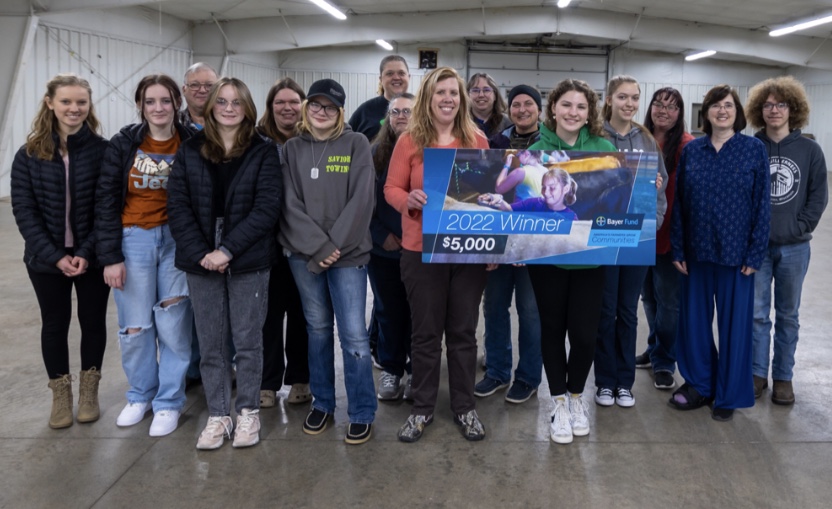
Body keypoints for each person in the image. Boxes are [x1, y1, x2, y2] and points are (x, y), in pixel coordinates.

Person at [167, 77, 282, 449]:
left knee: (248, 341)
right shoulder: (190, 149)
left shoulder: (263, 151)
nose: (229, 108)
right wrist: (202, 251)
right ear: (211, 106)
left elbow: (267, 209)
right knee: (212, 344)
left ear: (248, 108)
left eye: (237, 102)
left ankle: (248, 412)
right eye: (222, 102)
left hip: (248, 257)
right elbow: (178, 206)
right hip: (199, 257)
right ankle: (218, 414)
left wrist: (227, 249)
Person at [385, 66, 492, 443]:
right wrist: (408, 199)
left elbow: (487, 201)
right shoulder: (410, 141)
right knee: (426, 334)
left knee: (463, 332)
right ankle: (422, 409)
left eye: (453, 92)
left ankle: (464, 407)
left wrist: (491, 247)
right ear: (428, 99)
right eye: (440, 92)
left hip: (467, 253)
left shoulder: (477, 140)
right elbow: (391, 188)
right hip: (421, 251)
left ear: (461, 99)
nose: (447, 98)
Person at [96, 74, 196, 437]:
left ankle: (169, 401)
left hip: (177, 241)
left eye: (165, 101)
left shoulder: (192, 141)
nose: (158, 108)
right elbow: (105, 200)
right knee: (135, 326)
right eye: (150, 101)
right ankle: (140, 394)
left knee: (173, 323)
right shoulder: (124, 143)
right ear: (140, 105)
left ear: (176, 104)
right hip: (132, 238)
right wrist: (110, 256)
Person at [279, 79, 377, 445]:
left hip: (349, 255)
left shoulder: (356, 144)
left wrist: (333, 246)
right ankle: (323, 403)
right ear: (306, 108)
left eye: (330, 107)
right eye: (316, 105)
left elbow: (362, 200)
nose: (322, 112)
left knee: (354, 335)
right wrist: (319, 248)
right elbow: (288, 205)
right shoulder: (291, 148)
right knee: (317, 330)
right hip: (304, 255)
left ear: (340, 112)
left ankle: (362, 410)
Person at [11, 73, 111, 429]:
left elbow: (107, 207)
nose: (74, 108)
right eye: (66, 101)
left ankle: (88, 392)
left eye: (81, 102)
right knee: (54, 325)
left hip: (92, 256)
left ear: (89, 105)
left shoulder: (102, 151)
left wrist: (86, 250)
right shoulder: (28, 155)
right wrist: (54, 255)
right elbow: (24, 211)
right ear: (49, 103)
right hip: (45, 259)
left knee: (92, 322)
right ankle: (60, 395)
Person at [669, 84, 770, 422]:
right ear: (706, 112)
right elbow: (680, 203)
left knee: (734, 328)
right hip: (696, 253)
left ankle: (728, 393)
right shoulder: (692, 151)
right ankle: (699, 384)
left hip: (736, 255)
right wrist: (678, 248)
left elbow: (762, 206)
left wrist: (755, 254)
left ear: (737, 112)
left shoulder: (753, 149)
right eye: (715, 105)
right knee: (694, 324)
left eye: (728, 105)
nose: (722, 111)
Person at [526, 78, 616, 444]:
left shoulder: (604, 147)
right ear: (553, 109)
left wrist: (647, 183)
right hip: (546, 258)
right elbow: (529, 201)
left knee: (583, 334)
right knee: (551, 329)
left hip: (590, 257)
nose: (573, 112)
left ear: (589, 112)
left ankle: (578, 397)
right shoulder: (535, 149)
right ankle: (558, 402)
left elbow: (614, 194)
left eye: (581, 106)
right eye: (566, 105)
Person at [746, 76, 828, 405]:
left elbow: (818, 194)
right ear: (758, 111)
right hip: (757, 249)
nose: (774, 110)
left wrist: (801, 225)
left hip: (795, 247)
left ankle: (783, 377)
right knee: (757, 314)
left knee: (789, 315)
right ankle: (756, 374)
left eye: (781, 104)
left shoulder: (810, 150)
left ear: (793, 109)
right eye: (768, 105)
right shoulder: (751, 148)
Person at [593, 75, 668, 409]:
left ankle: (624, 382)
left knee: (627, 311)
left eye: (635, 98)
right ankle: (604, 382)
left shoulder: (646, 139)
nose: (629, 104)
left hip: (637, 236)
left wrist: (655, 221)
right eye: (622, 97)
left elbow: (661, 187)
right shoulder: (594, 136)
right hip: (603, 236)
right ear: (609, 100)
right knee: (604, 310)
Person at [255, 77, 312, 407]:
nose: (288, 108)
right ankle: (267, 381)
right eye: (280, 102)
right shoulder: (257, 141)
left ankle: (300, 379)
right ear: (270, 106)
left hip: (302, 239)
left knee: (303, 314)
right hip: (265, 242)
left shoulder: (311, 141)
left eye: (294, 102)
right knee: (268, 315)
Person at [637, 87, 695, 390]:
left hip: (670, 237)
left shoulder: (687, 146)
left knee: (669, 304)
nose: (664, 111)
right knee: (649, 298)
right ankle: (654, 348)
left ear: (680, 113)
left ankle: (664, 361)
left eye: (672, 107)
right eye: (659, 104)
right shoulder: (640, 139)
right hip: (641, 234)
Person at [370, 93, 416, 401]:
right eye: (395, 111)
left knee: (420, 313)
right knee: (388, 312)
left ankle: (416, 371)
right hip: (384, 249)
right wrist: (378, 233)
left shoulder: (429, 151)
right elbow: (362, 201)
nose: (401, 116)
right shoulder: (374, 153)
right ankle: (391, 369)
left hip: (420, 250)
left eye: (408, 111)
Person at [349, 55, 410, 140]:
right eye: (390, 73)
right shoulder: (364, 111)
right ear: (381, 79)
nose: (396, 77)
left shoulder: (421, 109)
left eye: (401, 73)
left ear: (409, 77)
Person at [478, 168, 578, 219]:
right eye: (543, 187)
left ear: (565, 189)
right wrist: (498, 199)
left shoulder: (571, 218)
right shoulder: (535, 203)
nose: (546, 193)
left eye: (552, 188)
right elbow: (509, 209)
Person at [179, 62, 218, 130]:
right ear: (184, 90)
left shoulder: (229, 122)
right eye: (195, 85)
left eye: (209, 85)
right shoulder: (172, 123)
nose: (202, 90)